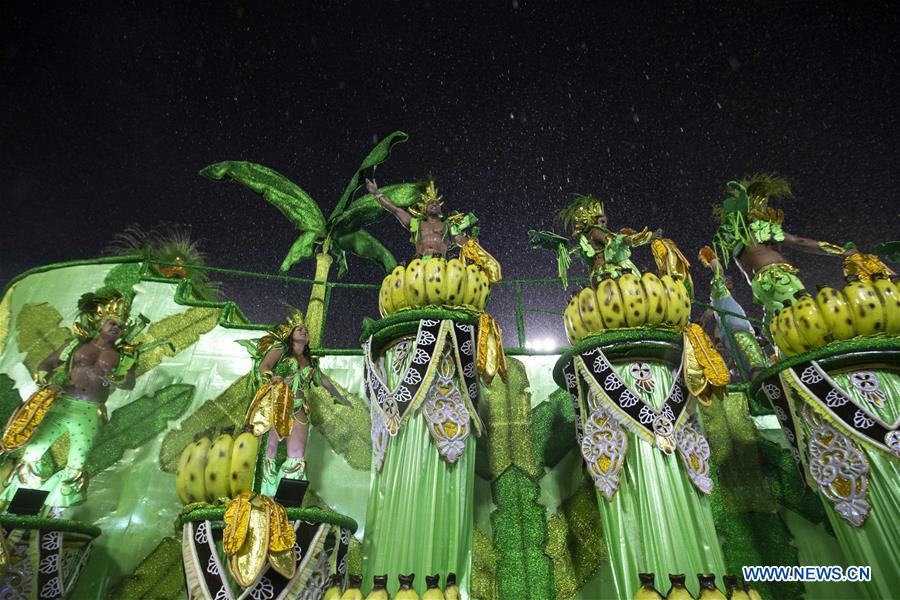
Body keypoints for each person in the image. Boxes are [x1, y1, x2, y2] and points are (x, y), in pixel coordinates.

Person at [1, 288, 142, 507]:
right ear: (100, 323)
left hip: (90, 412)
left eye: (121, 326)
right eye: (112, 323)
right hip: (62, 404)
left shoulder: (125, 356)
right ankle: (21, 506)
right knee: (34, 449)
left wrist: (119, 379)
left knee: (78, 459)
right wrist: (44, 380)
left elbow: (130, 384)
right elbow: (48, 363)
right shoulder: (76, 345)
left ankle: (55, 510)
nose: (117, 328)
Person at [241, 308, 347, 495]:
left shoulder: (310, 362)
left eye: (306, 330)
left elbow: (324, 381)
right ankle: (264, 495)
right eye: (299, 329)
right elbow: (264, 367)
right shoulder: (280, 349)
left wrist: (340, 397)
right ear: (291, 334)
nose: (304, 331)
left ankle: (287, 499)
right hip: (277, 403)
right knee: (269, 449)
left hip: (299, 408)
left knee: (297, 454)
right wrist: (273, 377)